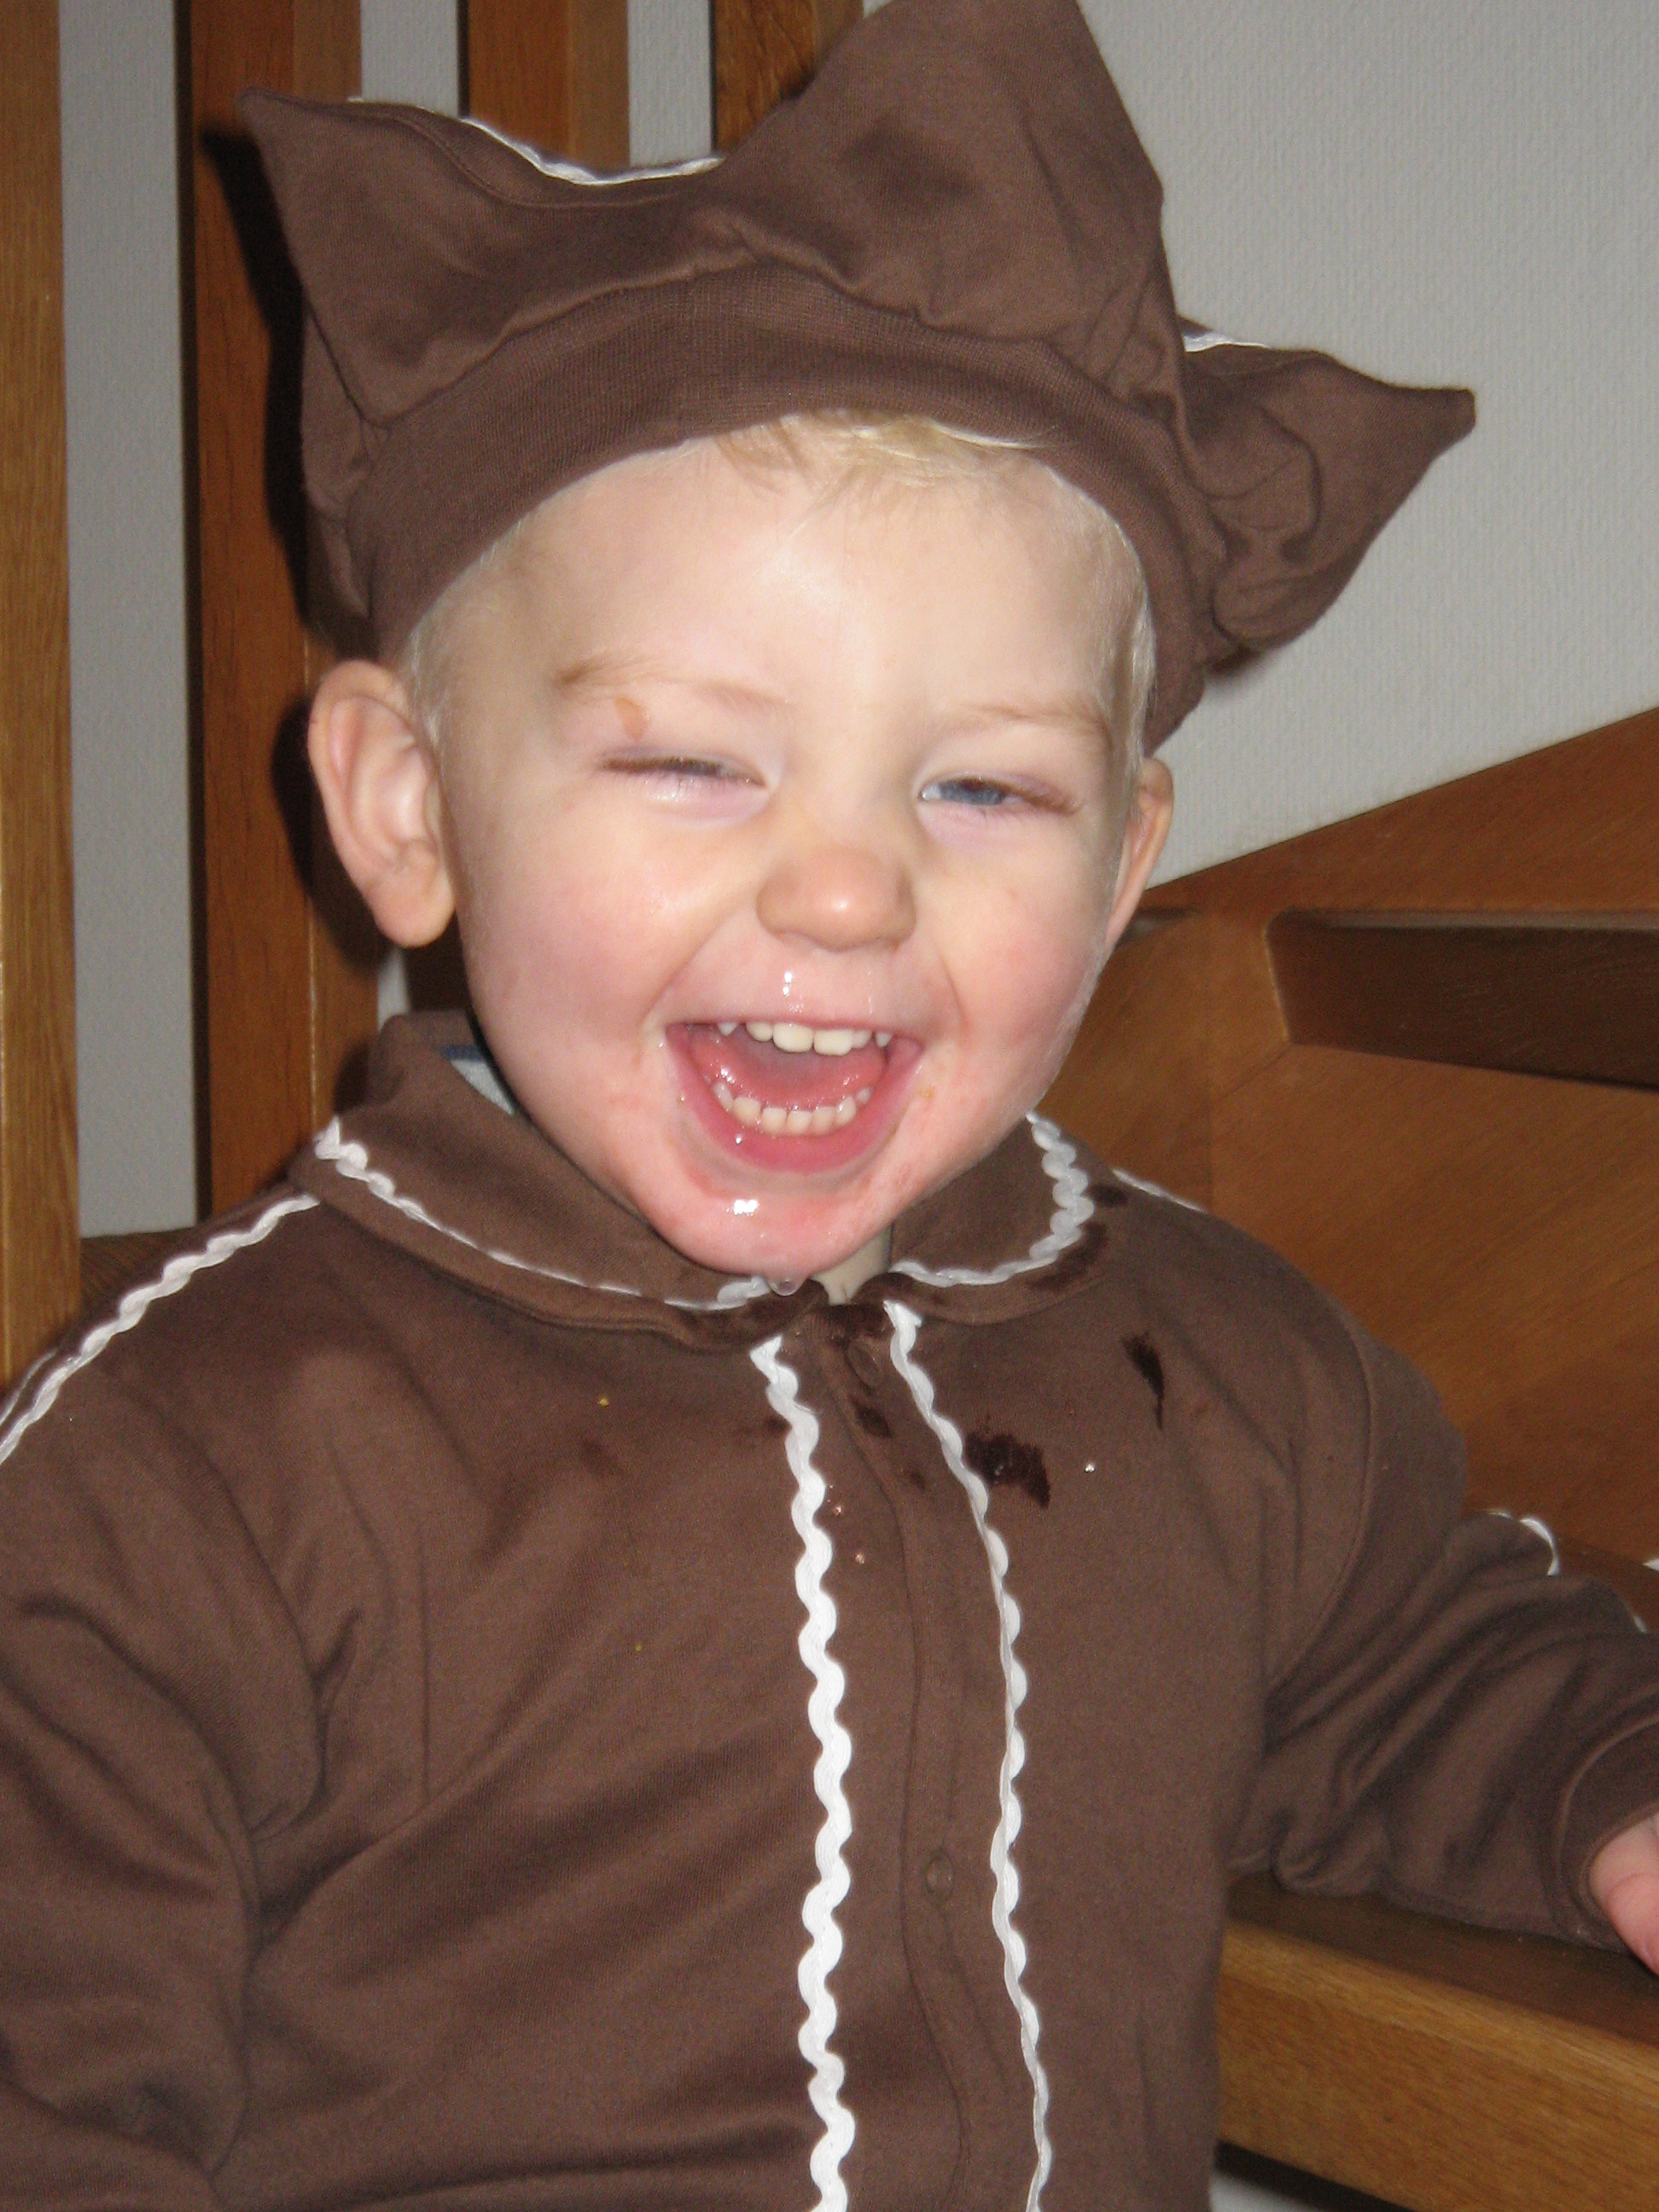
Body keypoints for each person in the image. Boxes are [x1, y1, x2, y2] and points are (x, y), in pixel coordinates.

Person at [3, 3, 1658, 2207]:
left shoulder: (1213, 1366)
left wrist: (1614, 1782)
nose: (852, 887)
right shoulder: (198, 1457)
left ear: (1127, 864)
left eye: (986, 790)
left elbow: (1415, 1662)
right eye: (695, 759)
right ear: (407, 808)